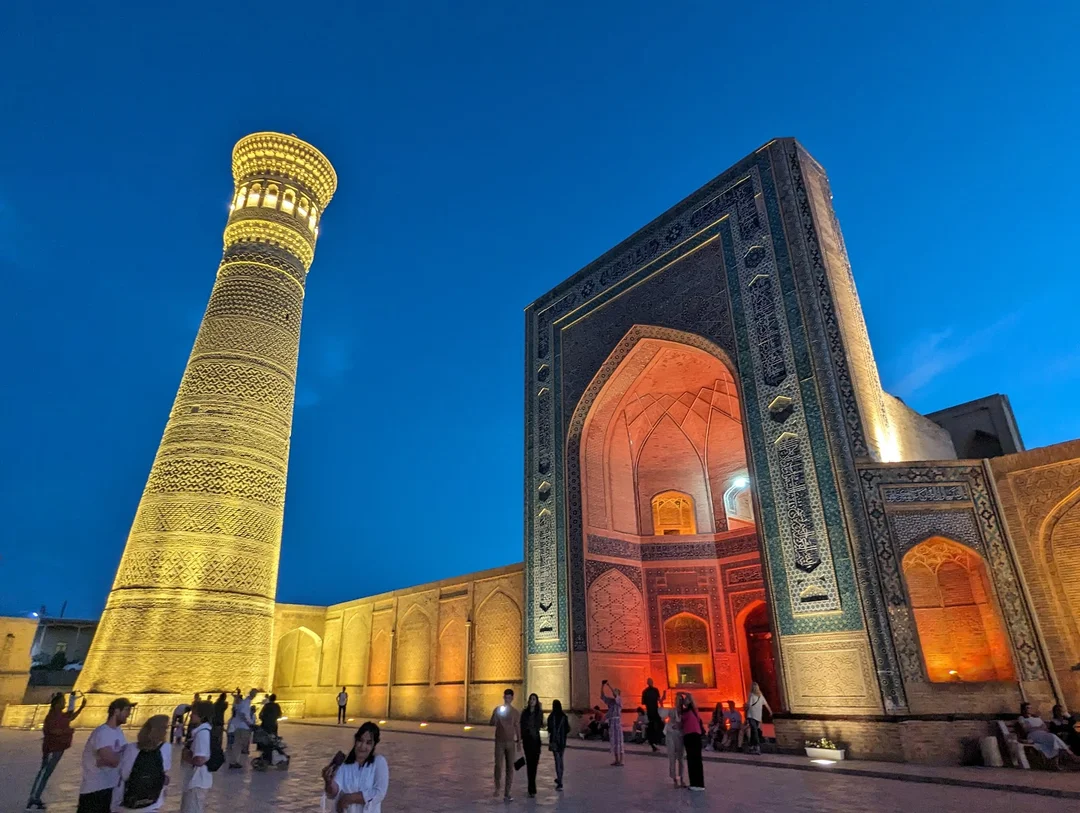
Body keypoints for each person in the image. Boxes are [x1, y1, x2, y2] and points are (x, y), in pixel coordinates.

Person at [25, 691, 85, 809]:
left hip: (58, 748)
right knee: (44, 772)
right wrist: (68, 731)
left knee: (47, 773)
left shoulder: (59, 715)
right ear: (57, 704)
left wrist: (81, 707)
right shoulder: (52, 716)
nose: (65, 703)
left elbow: (70, 716)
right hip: (52, 749)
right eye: (63, 701)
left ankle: (36, 796)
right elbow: (54, 731)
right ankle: (33, 797)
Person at [77, 697, 132, 813]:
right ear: (116, 711)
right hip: (95, 791)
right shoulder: (103, 732)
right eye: (126, 710)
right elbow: (111, 761)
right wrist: (126, 756)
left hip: (110, 788)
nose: (129, 713)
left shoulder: (118, 731)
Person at [322, 722, 389, 813]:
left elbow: (379, 793)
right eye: (360, 740)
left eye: (368, 743)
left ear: (374, 745)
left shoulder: (379, 762)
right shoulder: (344, 763)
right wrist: (328, 781)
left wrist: (349, 798)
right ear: (355, 740)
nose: (363, 746)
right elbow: (333, 792)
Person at [113, 714, 171, 812]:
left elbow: (124, 774)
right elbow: (164, 772)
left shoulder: (130, 748)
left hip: (128, 801)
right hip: (153, 802)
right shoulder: (166, 748)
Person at [1017, 702, 1080, 768]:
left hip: (1043, 734)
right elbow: (1026, 729)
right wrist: (1039, 727)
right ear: (1023, 710)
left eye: (1030, 708)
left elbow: (1045, 727)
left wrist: (1036, 727)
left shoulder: (1037, 717)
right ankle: (1071, 755)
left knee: (1053, 741)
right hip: (1033, 734)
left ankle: (1056, 764)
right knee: (1053, 737)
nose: (1029, 709)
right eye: (1027, 708)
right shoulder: (1021, 718)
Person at [489, 688, 521, 801]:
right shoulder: (498, 709)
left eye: (509, 698)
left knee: (510, 767)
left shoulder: (515, 712)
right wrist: (496, 716)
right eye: (505, 697)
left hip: (510, 742)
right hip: (500, 742)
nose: (507, 700)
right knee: (498, 765)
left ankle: (507, 792)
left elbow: (517, 727)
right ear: (503, 698)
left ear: (512, 698)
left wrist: (519, 741)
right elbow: (491, 723)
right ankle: (497, 787)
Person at [181, 701, 213, 813]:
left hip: (197, 780)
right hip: (195, 779)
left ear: (202, 715)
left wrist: (186, 757)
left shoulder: (202, 733)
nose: (191, 715)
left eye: (194, 713)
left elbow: (200, 760)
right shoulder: (202, 731)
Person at [680, 693, 705, 792]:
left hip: (691, 735)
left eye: (686, 699)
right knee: (696, 760)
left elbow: (680, 722)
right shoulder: (693, 710)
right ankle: (698, 784)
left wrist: (683, 693)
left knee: (692, 759)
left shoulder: (688, 711)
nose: (684, 701)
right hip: (695, 735)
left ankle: (695, 784)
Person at [520, 693, 544, 797]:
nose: (532, 701)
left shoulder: (539, 712)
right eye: (531, 699)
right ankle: (531, 788)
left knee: (534, 764)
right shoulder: (525, 713)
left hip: (536, 741)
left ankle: (532, 786)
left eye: (534, 699)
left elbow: (540, 724)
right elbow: (521, 725)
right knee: (529, 764)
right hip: (527, 741)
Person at [227, 689, 257, 768]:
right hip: (243, 727)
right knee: (240, 744)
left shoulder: (245, 702)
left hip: (240, 726)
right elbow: (243, 714)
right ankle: (234, 762)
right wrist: (249, 724)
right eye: (254, 694)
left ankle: (234, 761)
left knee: (237, 744)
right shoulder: (246, 702)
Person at [545, 699, 569, 791]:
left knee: (557, 760)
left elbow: (549, 728)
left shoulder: (551, 717)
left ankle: (559, 781)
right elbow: (568, 729)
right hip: (562, 741)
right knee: (561, 759)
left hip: (554, 741)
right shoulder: (564, 716)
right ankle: (560, 778)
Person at [600, 680, 624, 766]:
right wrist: (602, 686)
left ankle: (621, 760)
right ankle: (616, 760)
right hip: (612, 723)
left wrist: (609, 685)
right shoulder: (611, 702)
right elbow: (602, 696)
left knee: (619, 741)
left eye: (616, 691)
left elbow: (615, 694)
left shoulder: (619, 701)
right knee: (614, 741)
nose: (614, 692)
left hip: (617, 723)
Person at [745, 681, 772, 755]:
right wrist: (770, 711)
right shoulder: (761, 696)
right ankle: (752, 747)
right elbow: (766, 704)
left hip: (751, 715)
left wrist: (745, 708)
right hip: (758, 716)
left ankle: (756, 747)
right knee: (754, 730)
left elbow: (749, 705)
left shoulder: (751, 695)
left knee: (754, 731)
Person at [665, 693, 685, 788]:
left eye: (679, 700)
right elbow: (664, 715)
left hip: (680, 735)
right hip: (671, 735)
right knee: (672, 757)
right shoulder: (672, 711)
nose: (677, 702)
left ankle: (682, 778)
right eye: (676, 700)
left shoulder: (684, 712)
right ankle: (674, 779)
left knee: (681, 758)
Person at [257, 694, 283, 767]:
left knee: (265, 741)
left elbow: (260, 715)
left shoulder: (266, 706)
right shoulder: (277, 706)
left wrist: (264, 719)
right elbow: (280, 715)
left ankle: (266, 757)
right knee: (272, 741)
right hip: (273, 725)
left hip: (265, 725)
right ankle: (271, 757)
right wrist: (274, 718)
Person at [641, 677, 665, 752]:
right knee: (655, 726)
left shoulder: (649, 691)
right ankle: (654, 742)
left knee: (656, 726)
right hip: (652, 712)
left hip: (652, 712)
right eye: (650, 681)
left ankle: (654, 742)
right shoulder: (649, 691)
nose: (650, 683)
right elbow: (659, 700)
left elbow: (659, 700)